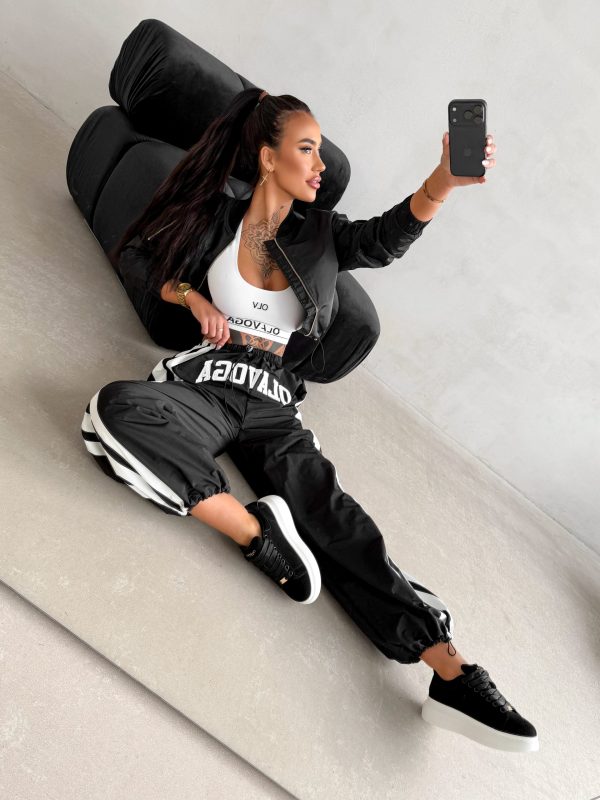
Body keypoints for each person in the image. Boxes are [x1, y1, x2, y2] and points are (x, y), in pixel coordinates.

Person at [81, 87, 538, 752]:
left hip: (274, 400)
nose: (321, 164)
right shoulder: (216, 214)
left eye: (320, 152)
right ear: (268, 158)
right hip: (208, 380)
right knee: (117, 411)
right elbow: (153, 262)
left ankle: (451, 671)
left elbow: (386, 237)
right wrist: (192, 298)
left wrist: (445, 178)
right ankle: (256, 534)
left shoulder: (323, 233)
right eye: (307, 149)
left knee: (334, 516)